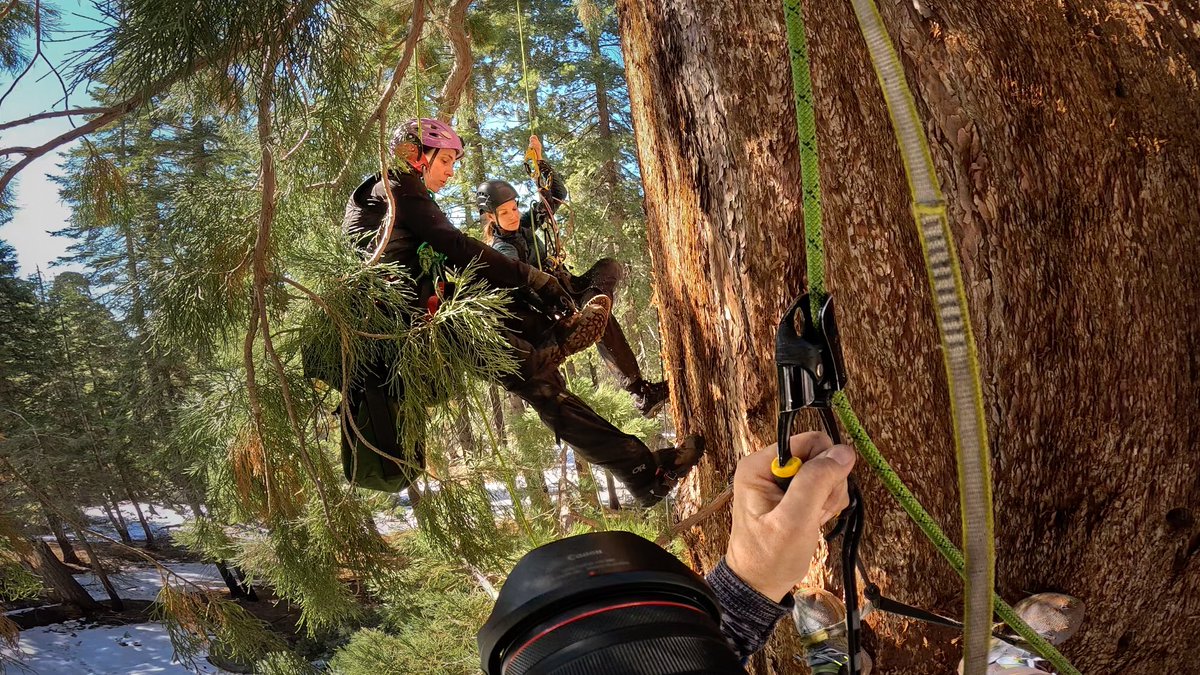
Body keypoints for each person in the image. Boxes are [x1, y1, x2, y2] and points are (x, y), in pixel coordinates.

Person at [336, 118, 609, 491]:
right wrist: (534, 279)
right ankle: (551, 347)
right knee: (496, 323)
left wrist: (540, 165)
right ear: (417, 155)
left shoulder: (388, 192)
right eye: (446, 160)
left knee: (508, 339)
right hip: (400, 322)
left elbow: (547, 201)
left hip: (400, 321)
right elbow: (458, 246)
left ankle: (551, 348)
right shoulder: (398, 187)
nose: (450, 171)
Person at [477, 134, 669, 418]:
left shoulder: (525, 226)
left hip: (571, 286)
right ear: (490, 217)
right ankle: (639, 392)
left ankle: (596, 311)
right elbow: (518, 284)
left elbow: (556, 195)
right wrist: (554, 304)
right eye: (504, 212)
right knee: (602, 317)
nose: (513, 215)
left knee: (608, 267)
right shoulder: (503, 249)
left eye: (515, 208)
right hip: (558, 303)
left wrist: (540, 162)